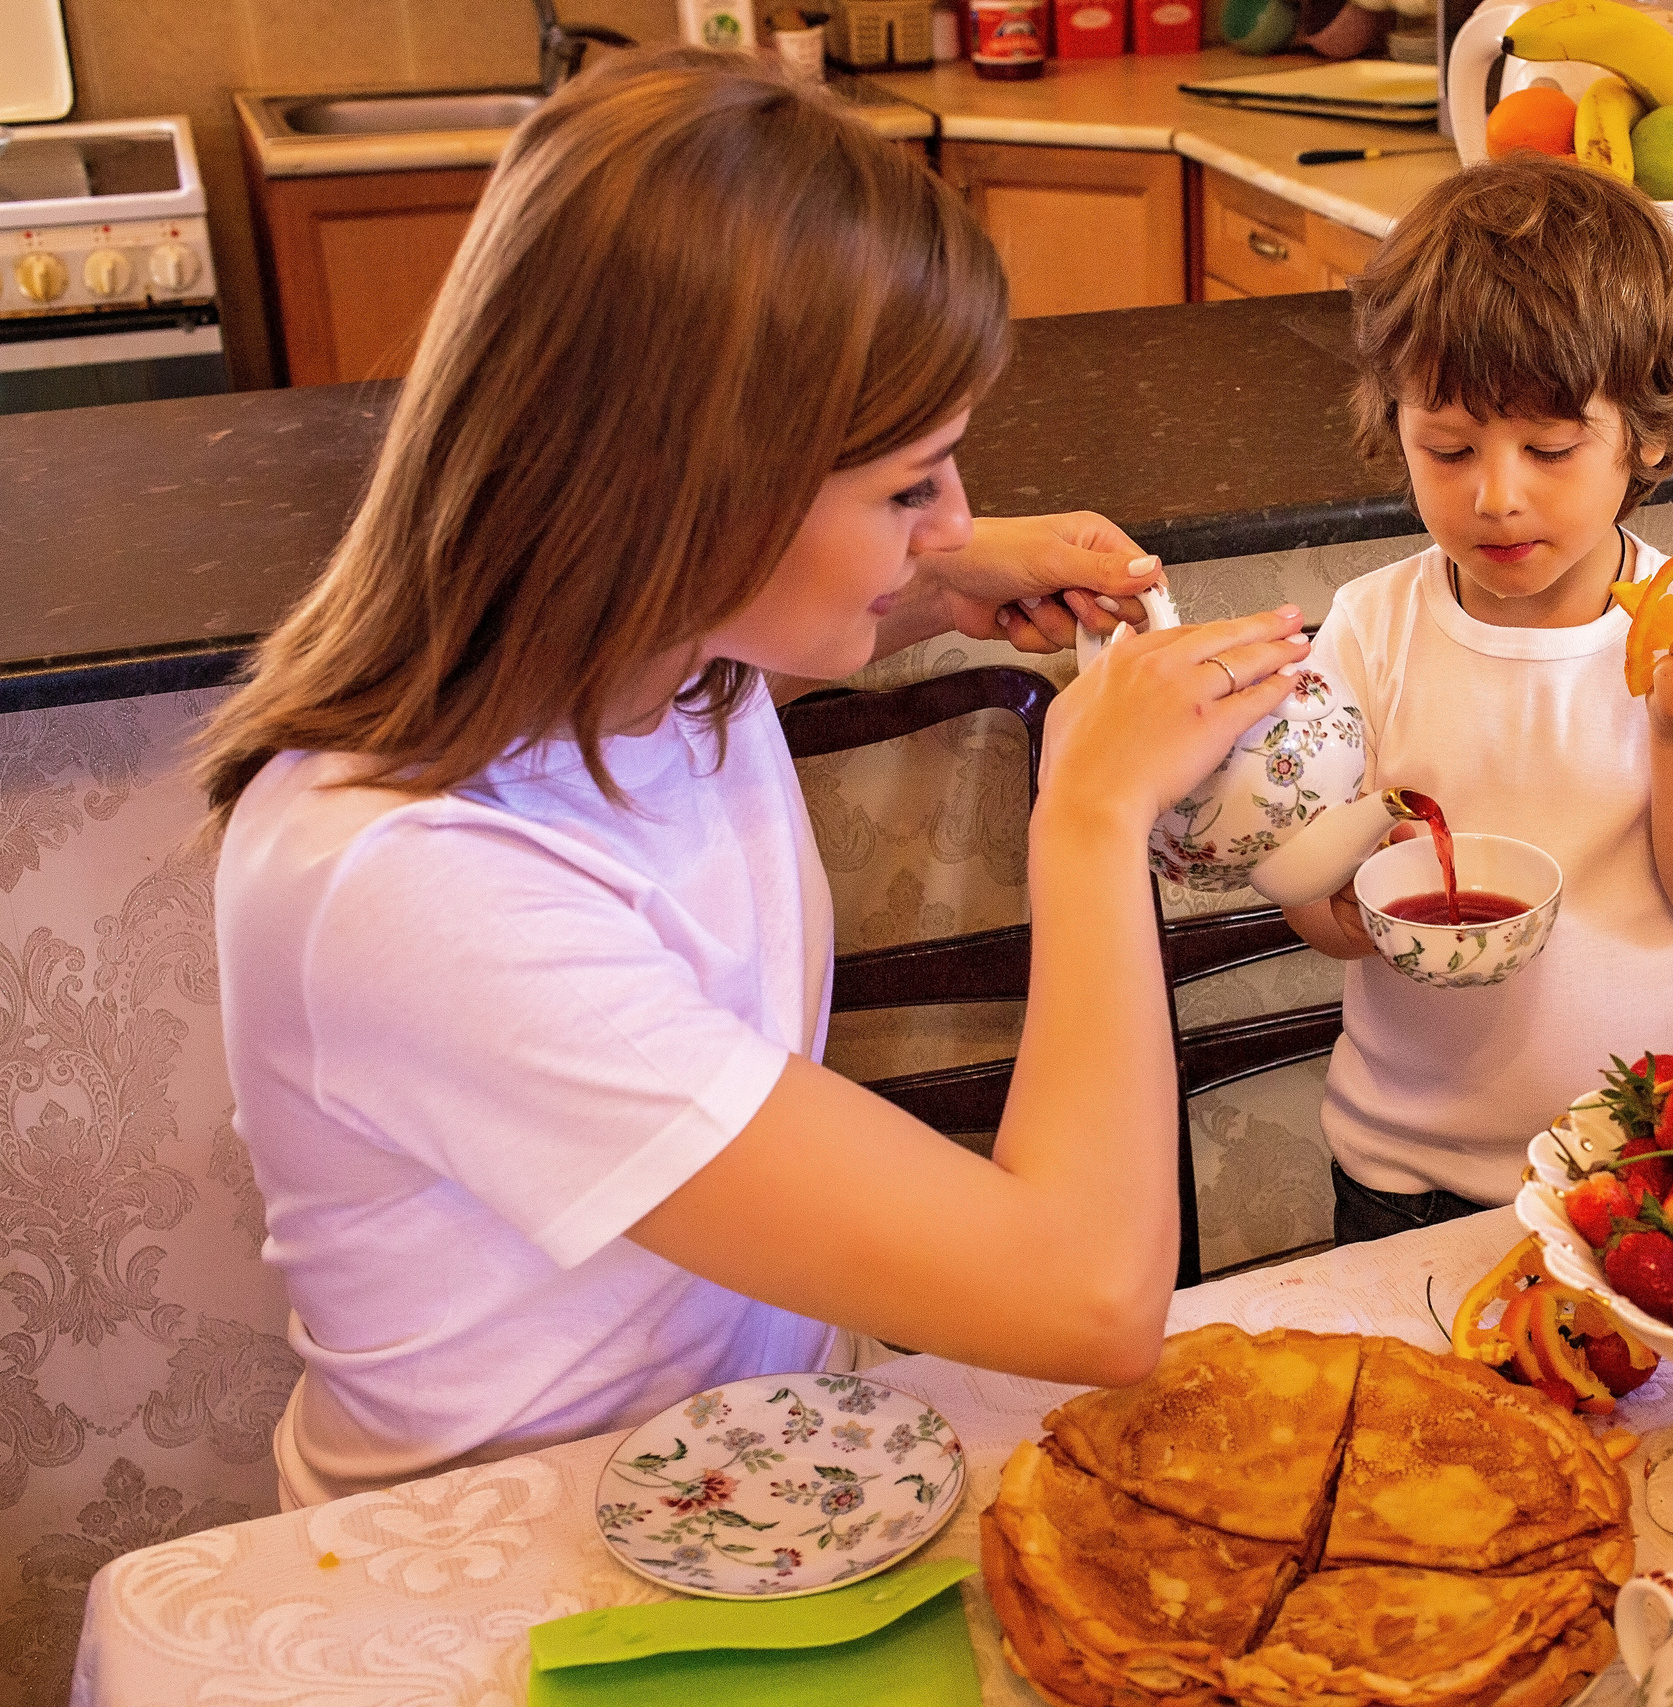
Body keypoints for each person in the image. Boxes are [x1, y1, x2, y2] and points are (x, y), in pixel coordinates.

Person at [199, 49, 1309, 1507]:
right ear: (699, 496)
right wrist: (1094, 811)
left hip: (749, 1476)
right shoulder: (413, 883)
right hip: (507, 1549)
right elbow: (1089, 1299)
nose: (953, 517)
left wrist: (931, 576)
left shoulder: (636, 662)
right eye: (908, 484)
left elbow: (712, 695)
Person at [1281, 155, 1673, 1247]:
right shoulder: (1369, 627)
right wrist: (1337, 911)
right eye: (1448, 448)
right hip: (1402, 1176)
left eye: (1551, 447)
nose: (1496, 494)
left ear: (1647, 432)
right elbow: (1312, 890)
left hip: (1644, 1160)